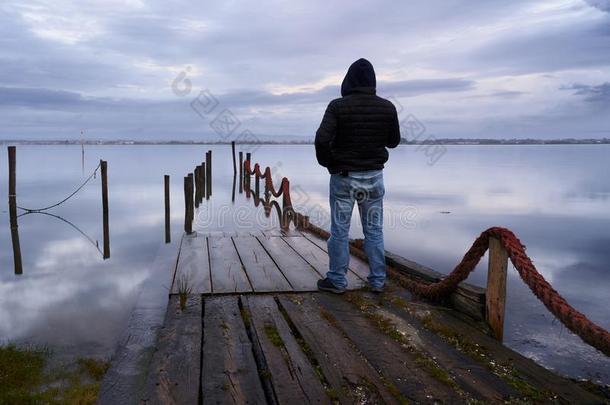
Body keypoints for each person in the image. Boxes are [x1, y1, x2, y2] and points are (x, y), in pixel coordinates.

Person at [315, 58, 401, 294]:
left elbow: (322, 139)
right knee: (374, 231)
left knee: (340, 231)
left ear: (348, 80)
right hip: (374, 178)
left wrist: (328, 163)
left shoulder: (337, 106)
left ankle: (337, 281)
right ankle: (377, 281)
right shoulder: (387, 107)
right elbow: (393, 142)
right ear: (373, 81)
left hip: (344, 177)